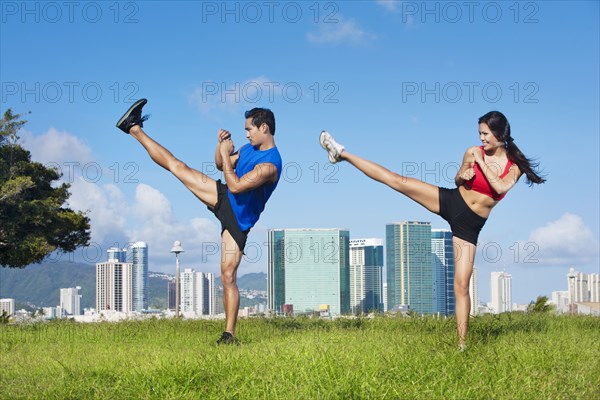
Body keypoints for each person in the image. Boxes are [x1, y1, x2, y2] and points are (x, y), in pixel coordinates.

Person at [319, 111, 545, 350]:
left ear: (500, 134)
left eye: (485, 134)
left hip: (469, 225)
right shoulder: (472, 151)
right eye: (479, 134)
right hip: (451, 201)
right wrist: (463, 175)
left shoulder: (514, 166)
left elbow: (500, 187)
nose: (481, 139)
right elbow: (459, 178)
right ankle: (341, 153)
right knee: (396, 180)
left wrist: (479, 163)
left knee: (461, 286)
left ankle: (461, 345)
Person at [116, 99, 282, 345]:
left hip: (239, 220)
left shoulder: (270, 165)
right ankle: (134, 128)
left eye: (249, 129)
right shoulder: (250, 150)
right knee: (178, 166)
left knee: (227, 276)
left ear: (264, 128)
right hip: (224, 197)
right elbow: (220, 165)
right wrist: (221, 147)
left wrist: (226, 155)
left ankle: (229, 335)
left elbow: (236, 185)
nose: (246, 134)